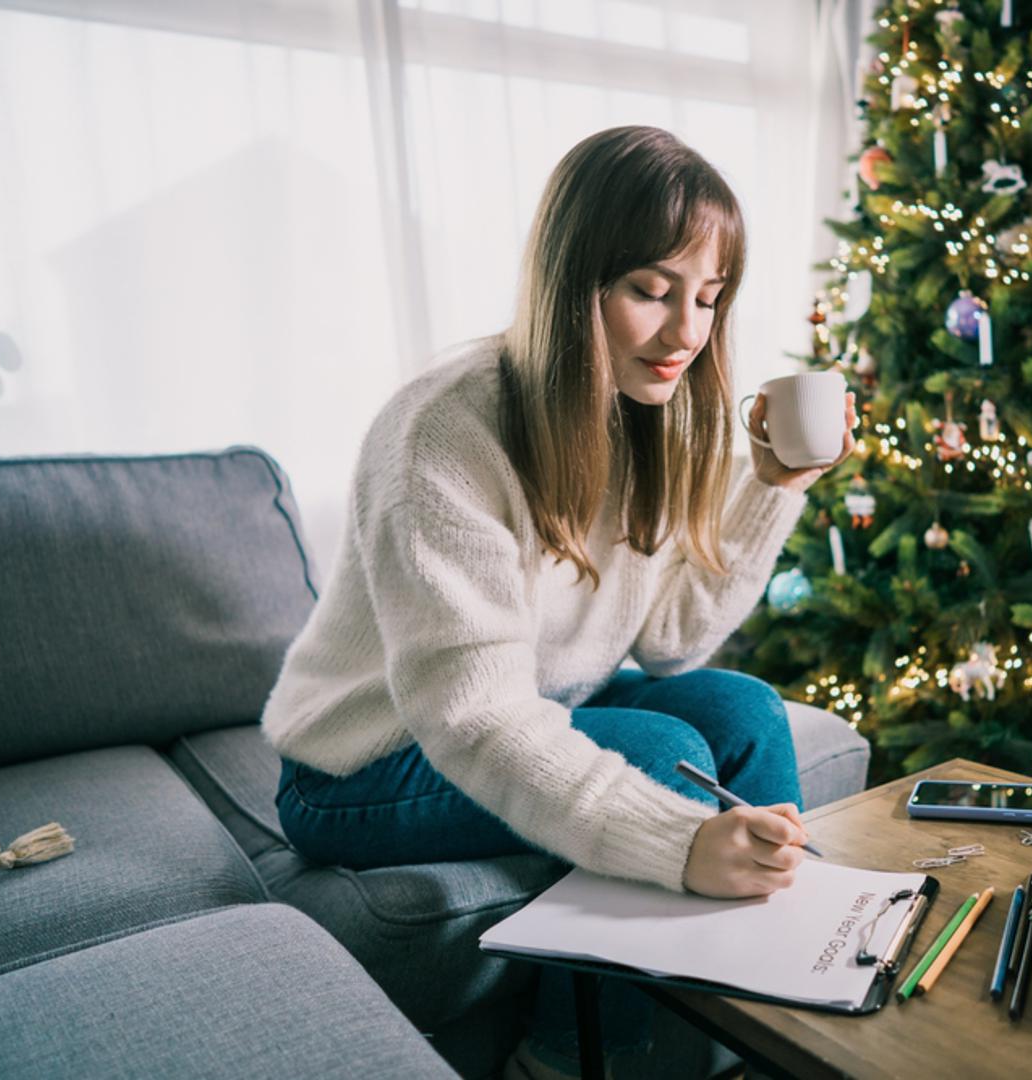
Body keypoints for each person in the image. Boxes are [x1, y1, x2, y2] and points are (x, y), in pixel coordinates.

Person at [261, 125, 856, 1080]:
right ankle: (574, 1061)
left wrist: (773, 484)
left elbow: (671, 644)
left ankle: (778, 1003)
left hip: (540, 706)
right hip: (363, 766)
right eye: (651, 291)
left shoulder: (651, 410)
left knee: (740, 708)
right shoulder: (441, 435)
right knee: (665, 757)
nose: (686, 334)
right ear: (572, 279)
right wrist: (677, 841)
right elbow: (475, 716)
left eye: (708, 298)